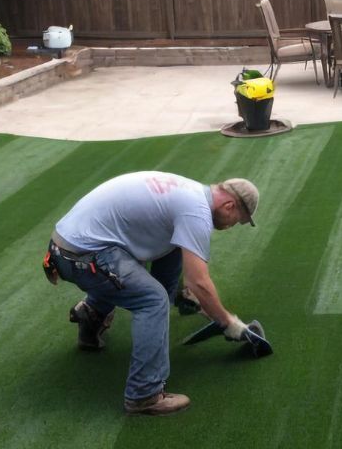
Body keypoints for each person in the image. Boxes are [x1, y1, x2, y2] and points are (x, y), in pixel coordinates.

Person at [46, 172, 258, 415]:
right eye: (237, 221)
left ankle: (90, 316)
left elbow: (176, 257)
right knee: (152, 301)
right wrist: (227, 322)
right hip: (81, 256)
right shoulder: (196, 212)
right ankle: (144, 394)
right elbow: (198, 281)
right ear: (229, 206)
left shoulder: (191, 192)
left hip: (66, 245)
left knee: (171, 251)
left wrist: (181, 292)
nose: (231, 226)